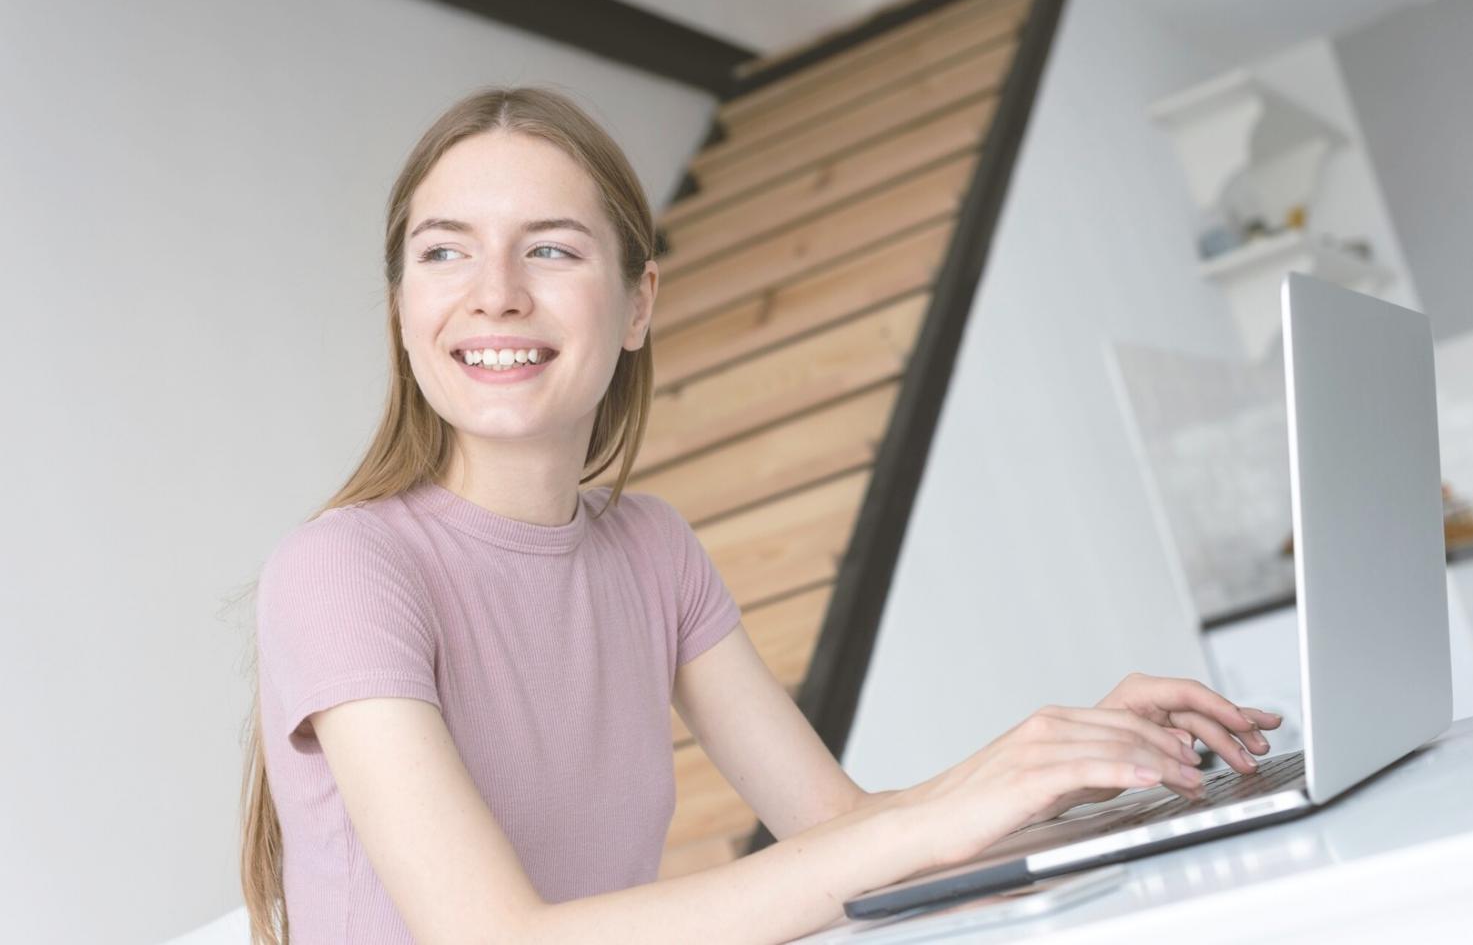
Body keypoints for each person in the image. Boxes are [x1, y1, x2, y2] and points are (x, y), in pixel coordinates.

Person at [238, 84, 1281, 944]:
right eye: (445, 250)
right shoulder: (343, 569)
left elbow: (841, 832)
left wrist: (1062, 763)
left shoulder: (651, 548)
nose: (495, 292)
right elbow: (502, 938)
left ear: (639, 301)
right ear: (400, 305)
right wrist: (956, 805)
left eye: (550, 249)